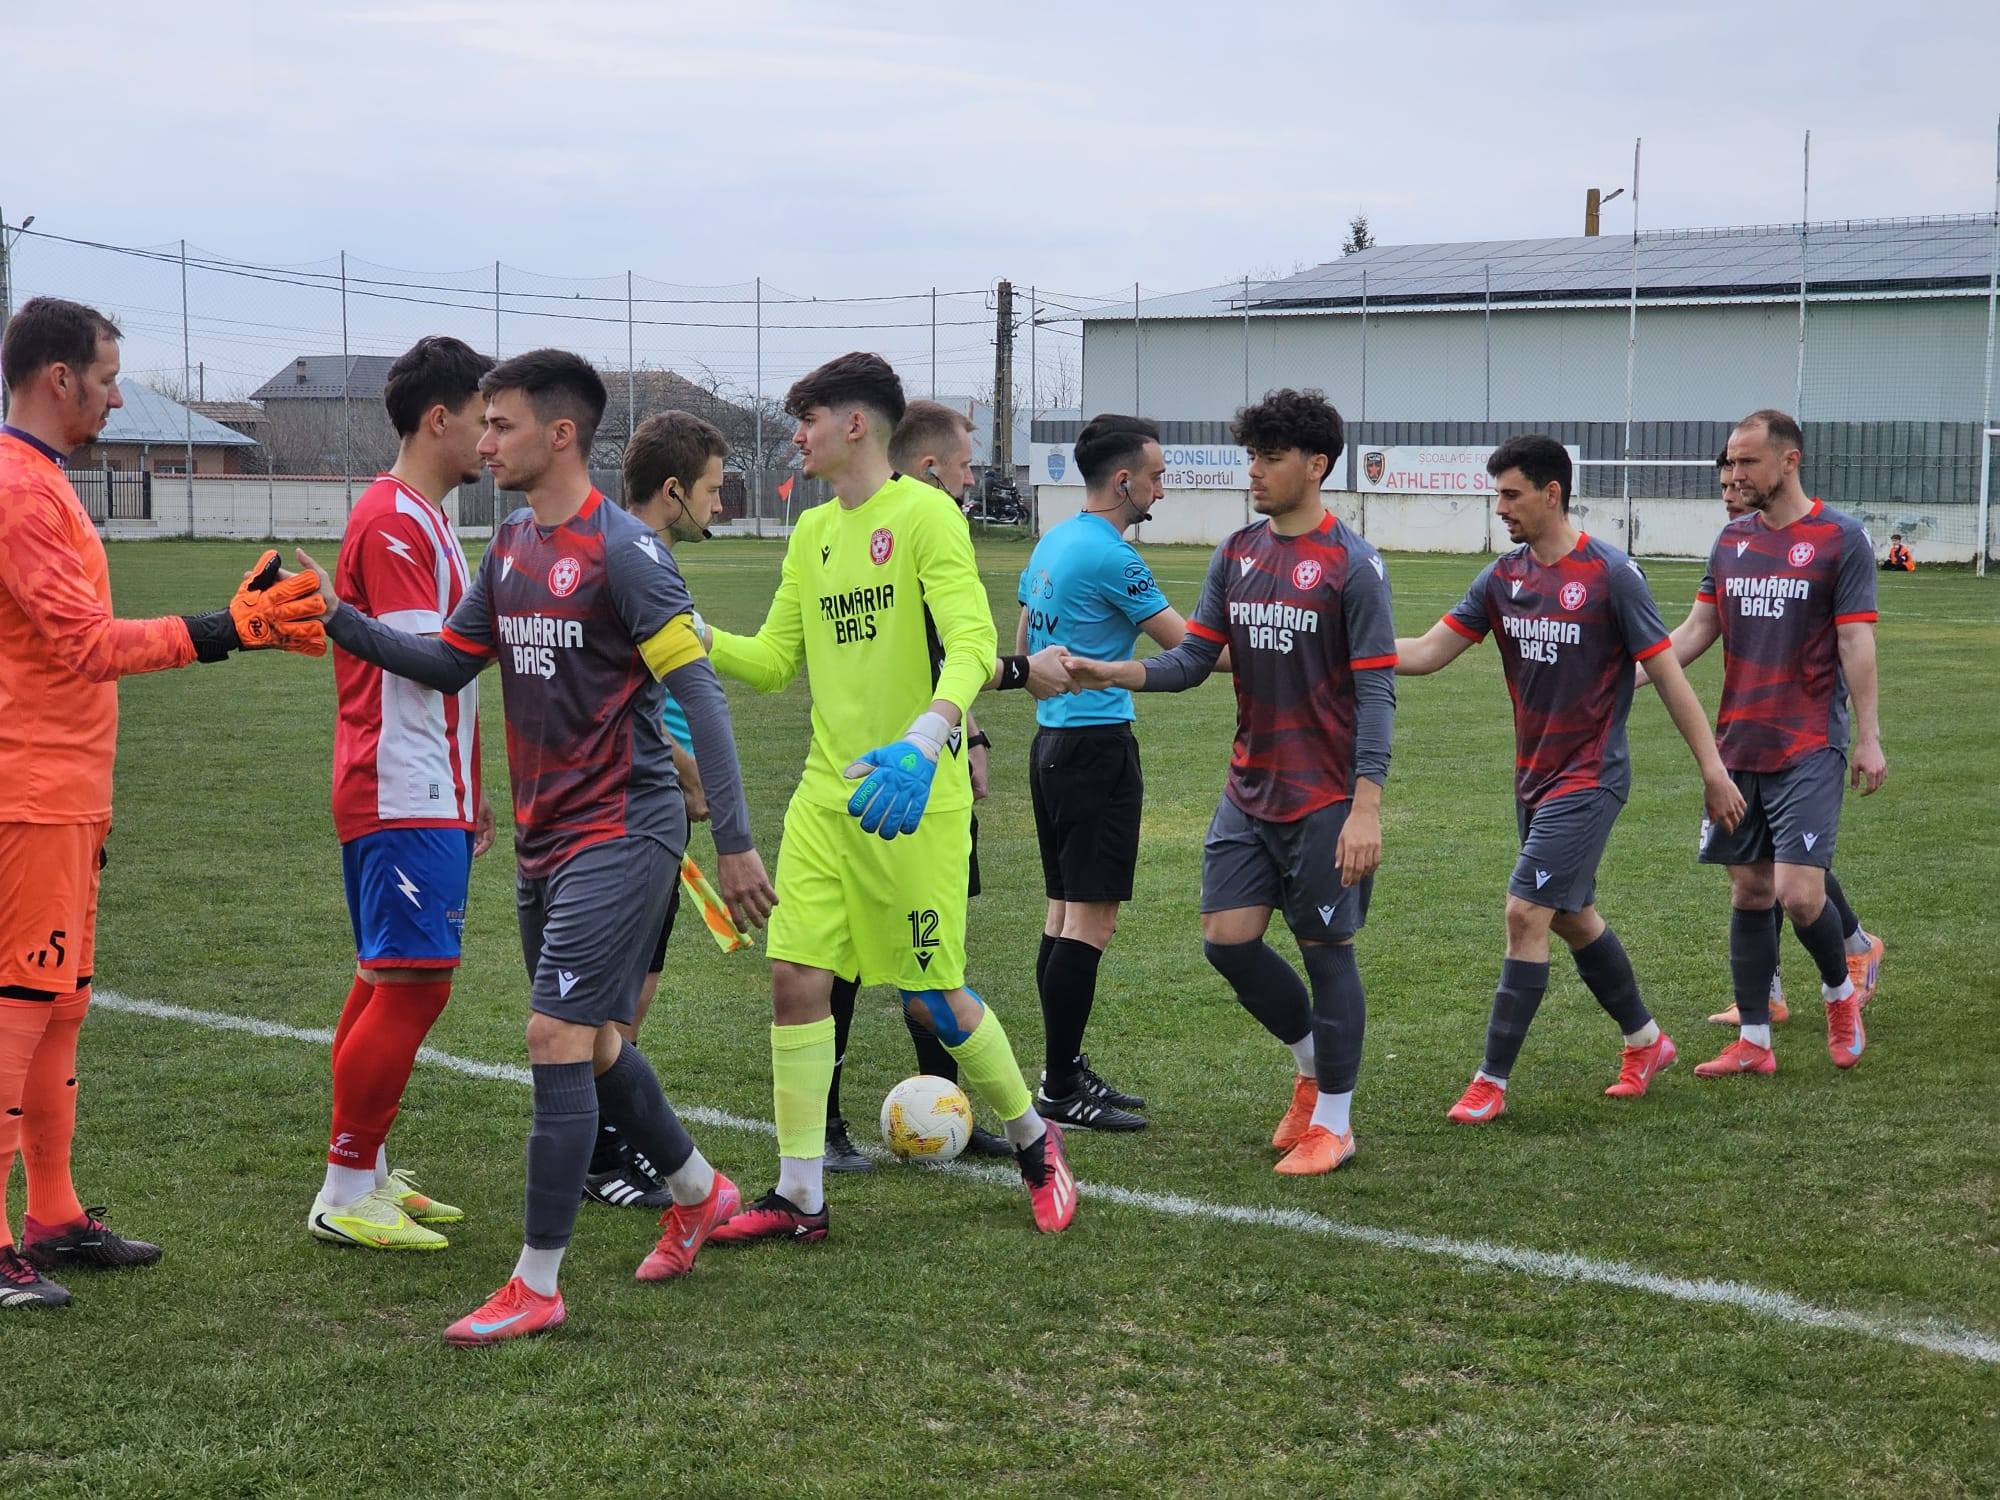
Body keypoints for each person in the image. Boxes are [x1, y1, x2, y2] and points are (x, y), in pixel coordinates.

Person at [295, 348, 777, 1344]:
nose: (485, 442)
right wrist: (337, 619)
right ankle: (700, 1190)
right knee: (592, 1043)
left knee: (553, 1038)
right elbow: (446, 659)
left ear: (560, 435)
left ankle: (537, 1284)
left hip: (625, 829)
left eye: (502, 424)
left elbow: (702, 700)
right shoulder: (511, 543)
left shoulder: (626, 554)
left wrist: (734, 845)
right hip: (543, 836)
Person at [695, 352, 1078, 1243]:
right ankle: (800, 1195)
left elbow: (973, 643)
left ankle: (1035, 1142)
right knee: (796, 978)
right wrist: (698, 633)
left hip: (914, 799)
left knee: (933, 996)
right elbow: (776, 662)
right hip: (826, 800)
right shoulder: (811, 532)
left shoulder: (925, 514)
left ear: (855, 424)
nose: (798, 437)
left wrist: (927, 737)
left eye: (808, 420)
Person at [0, 297, 326, 1310]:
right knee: (18, 1010)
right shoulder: (18, 489)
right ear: (59, 377)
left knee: (60, 1005)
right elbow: (85, 646)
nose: (113, 397)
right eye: (105, 379)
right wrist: (228, 628)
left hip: (66, 789)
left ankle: (52, 1215)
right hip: (30, 791)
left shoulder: (39, 480)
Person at [1064, 389, 1389, 1176]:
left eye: (1271, 458)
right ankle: (1311, 1068)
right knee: (1227, 943)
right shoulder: (1236, 553)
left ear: (1316, 466)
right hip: (1249, 790)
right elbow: (1192, 660)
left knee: (1326, 950)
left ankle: (1335, 1123)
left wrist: (1366, 808)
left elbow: (1377, 692)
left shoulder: (1352, 564)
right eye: (1252, 456)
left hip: (1324, 798)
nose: (1255, 471)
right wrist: (1113, 670)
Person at [1393, 436, 1744, 1123]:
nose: (1500, 508)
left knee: (1524, 912)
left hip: (1590, 776)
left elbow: (1668, 674)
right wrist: (1344, 653)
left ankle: (1490, 1081)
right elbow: (1429, 651)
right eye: (1497, 495)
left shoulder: (1611, 575)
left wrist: (1712, 769)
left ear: (1551, 493)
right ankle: (1646, 1041)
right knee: (1571, 917)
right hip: (1533, 777)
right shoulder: (1500, 579)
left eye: (1511, 494)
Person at [311, 335, 496, 1252]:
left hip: (427, 782)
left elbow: (439, 672)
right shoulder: (392, 519)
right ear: (439, 418)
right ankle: (345, 1187)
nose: (492, 439)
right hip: (399, 783)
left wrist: (473, 785)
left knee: (387, 977)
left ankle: (367, 1171)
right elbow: (429, 660)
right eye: (484, 420)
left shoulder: (427, 518)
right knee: (415, 986)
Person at [1652, 410, 1885, 1078]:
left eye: (1746, 461)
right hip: (1737, 743)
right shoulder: (1731, 541)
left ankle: (1840, 995)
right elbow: (1696, 630)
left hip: (1809, 740)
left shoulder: (1840, 538)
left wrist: (1869, 737)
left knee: (1800, 895)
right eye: (1730, 461)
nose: (1734, 474)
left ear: (1789, 460)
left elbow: (1855, 640)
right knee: (1750, 891)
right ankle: (1755, 1041)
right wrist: (1631, 673)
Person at [817, 400, 1014, 1173]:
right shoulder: (904, 523)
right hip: (883, 774)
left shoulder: (933, 526)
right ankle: (827, 1127)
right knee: (838, 959)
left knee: (932, 952)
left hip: (935, 766)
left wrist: (971, 735)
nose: (971, 481)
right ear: (931, 468)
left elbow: (952, 649)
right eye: (965, 467)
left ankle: (945, 1109)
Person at [583, 408, 742, 1210]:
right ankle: (601, 1157)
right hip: (629, 807)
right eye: (712, 489)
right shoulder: (632, 561)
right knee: (609, 999)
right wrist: (688, 773)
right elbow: (625, 703)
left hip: (652, 804)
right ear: (673, 489)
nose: (720, 503)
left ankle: (610, 1142)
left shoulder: (641, 554)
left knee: (636, 987)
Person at [1017, 413, 1186, 1131]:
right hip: (1094, 749)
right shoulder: (1115, 557)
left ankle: (1062, 1069)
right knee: (1091, 921)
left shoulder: (1054, 540)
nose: (1160, 490)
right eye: (1155, 477)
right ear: (1123, 482)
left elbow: (1025, 647)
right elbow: (1191, 652)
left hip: (1052, 747)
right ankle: (1059, 1088)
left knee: (1062, 915)